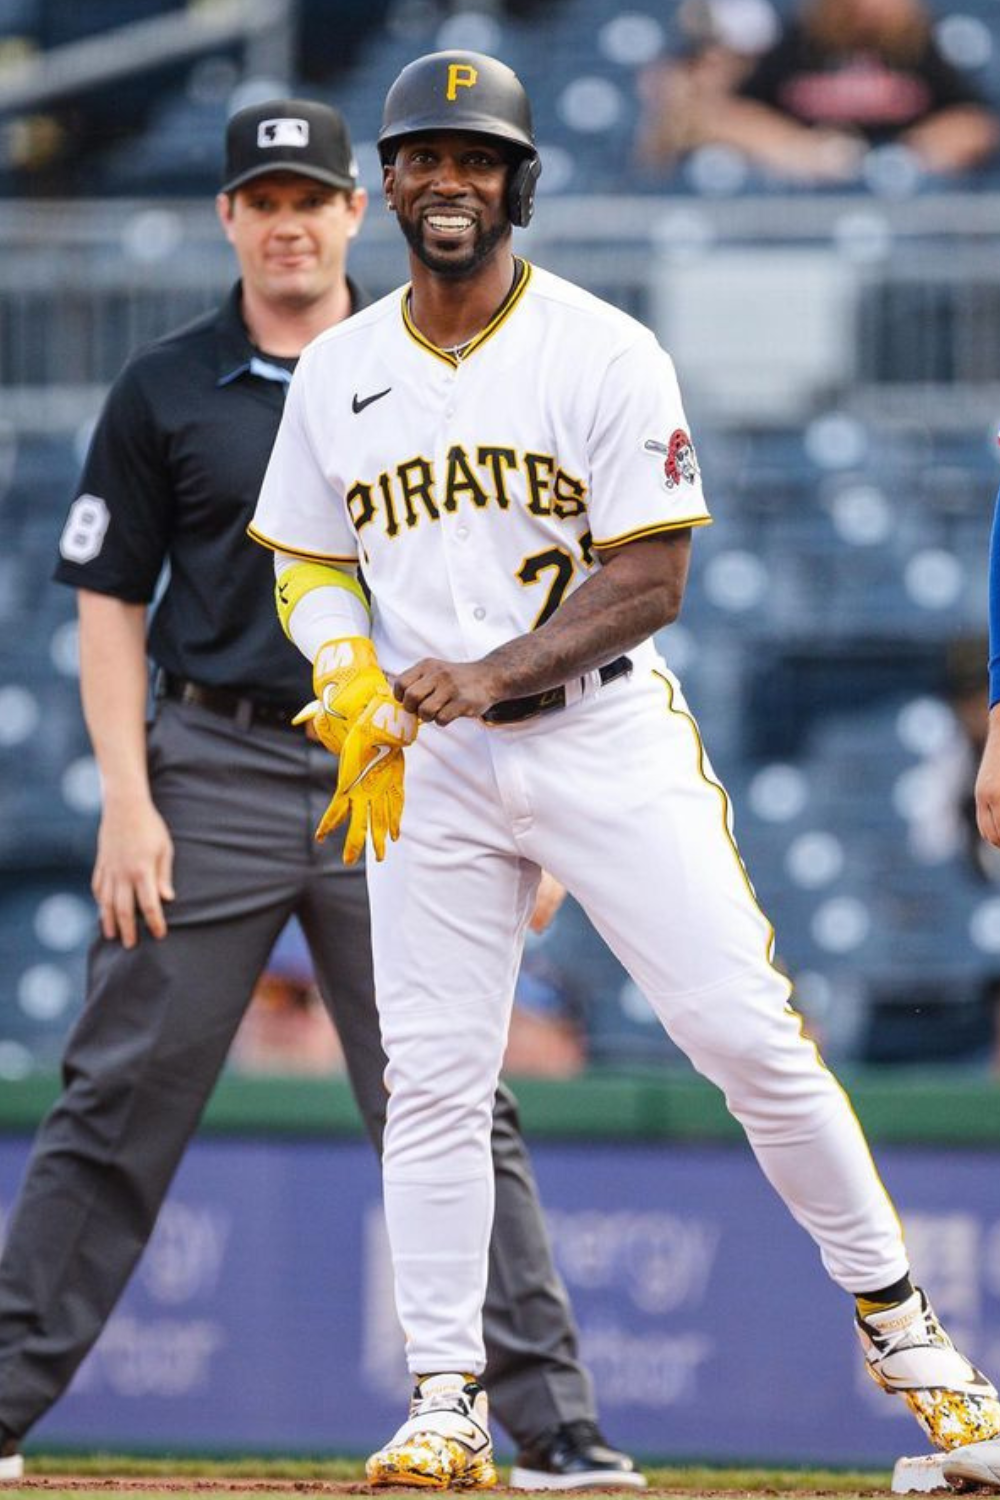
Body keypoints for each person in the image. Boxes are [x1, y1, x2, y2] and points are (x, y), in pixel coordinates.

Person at [250, 50, 1000, 1489]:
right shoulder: (338, 370)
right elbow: (312, 562)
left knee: (748, 1041)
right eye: (425, 156)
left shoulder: (599, 346)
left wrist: (487, 671)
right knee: (435, 1081)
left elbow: (652, 579)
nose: (449, 180)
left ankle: (912, 1341)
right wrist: (346, 668)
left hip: (597, 732)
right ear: (388, 185)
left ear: (518, 182)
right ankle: (446, 1399)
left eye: (478, 159)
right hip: (439, 771)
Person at [0, 97, 643, 1493]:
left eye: (313, 196)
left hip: (415, 760)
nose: (288, 220)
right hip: (216, 762)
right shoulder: (165, 386)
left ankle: (551, 1429)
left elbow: (538, 575)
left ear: (362, 209)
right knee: (119, 1093)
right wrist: (127, 794)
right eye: (260, 198)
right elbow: (109, 605)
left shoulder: (445, 367)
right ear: (228, 218)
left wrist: (528, 798)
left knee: (454, 1092)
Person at [651, 0, 999, 185]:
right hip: (805, 186)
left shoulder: (922, 44)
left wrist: (906, 155)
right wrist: (798, 149)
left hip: (902, 185)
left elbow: (973, 121)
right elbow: (729, 115)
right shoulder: (802, 39)